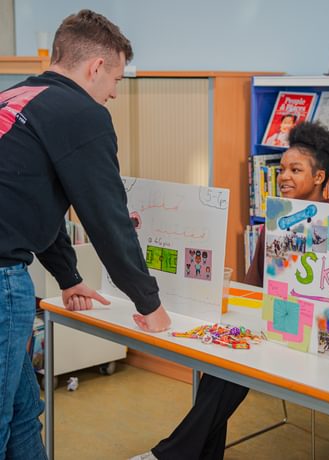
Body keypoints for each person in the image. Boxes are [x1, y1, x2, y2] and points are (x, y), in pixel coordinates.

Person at [0, 10, 171, 460]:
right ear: (95, 67)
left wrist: (69, 278)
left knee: (21, 413)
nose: (114, 92)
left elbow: (28, 202)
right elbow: (106, 217)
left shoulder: (16, 97)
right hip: (1, 282)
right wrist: (149, 304)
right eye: (115, 78)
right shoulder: (81, 113)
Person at [130, 121, 329, 460]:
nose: (284, 176)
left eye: (295, 169)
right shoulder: (275, 224)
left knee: (232, 367)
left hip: (322, 334)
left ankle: (172, 454)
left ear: (319, 177)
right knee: (225, 361)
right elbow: (252, 288)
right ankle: (181, 454)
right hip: (278, 326)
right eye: (282, 168)